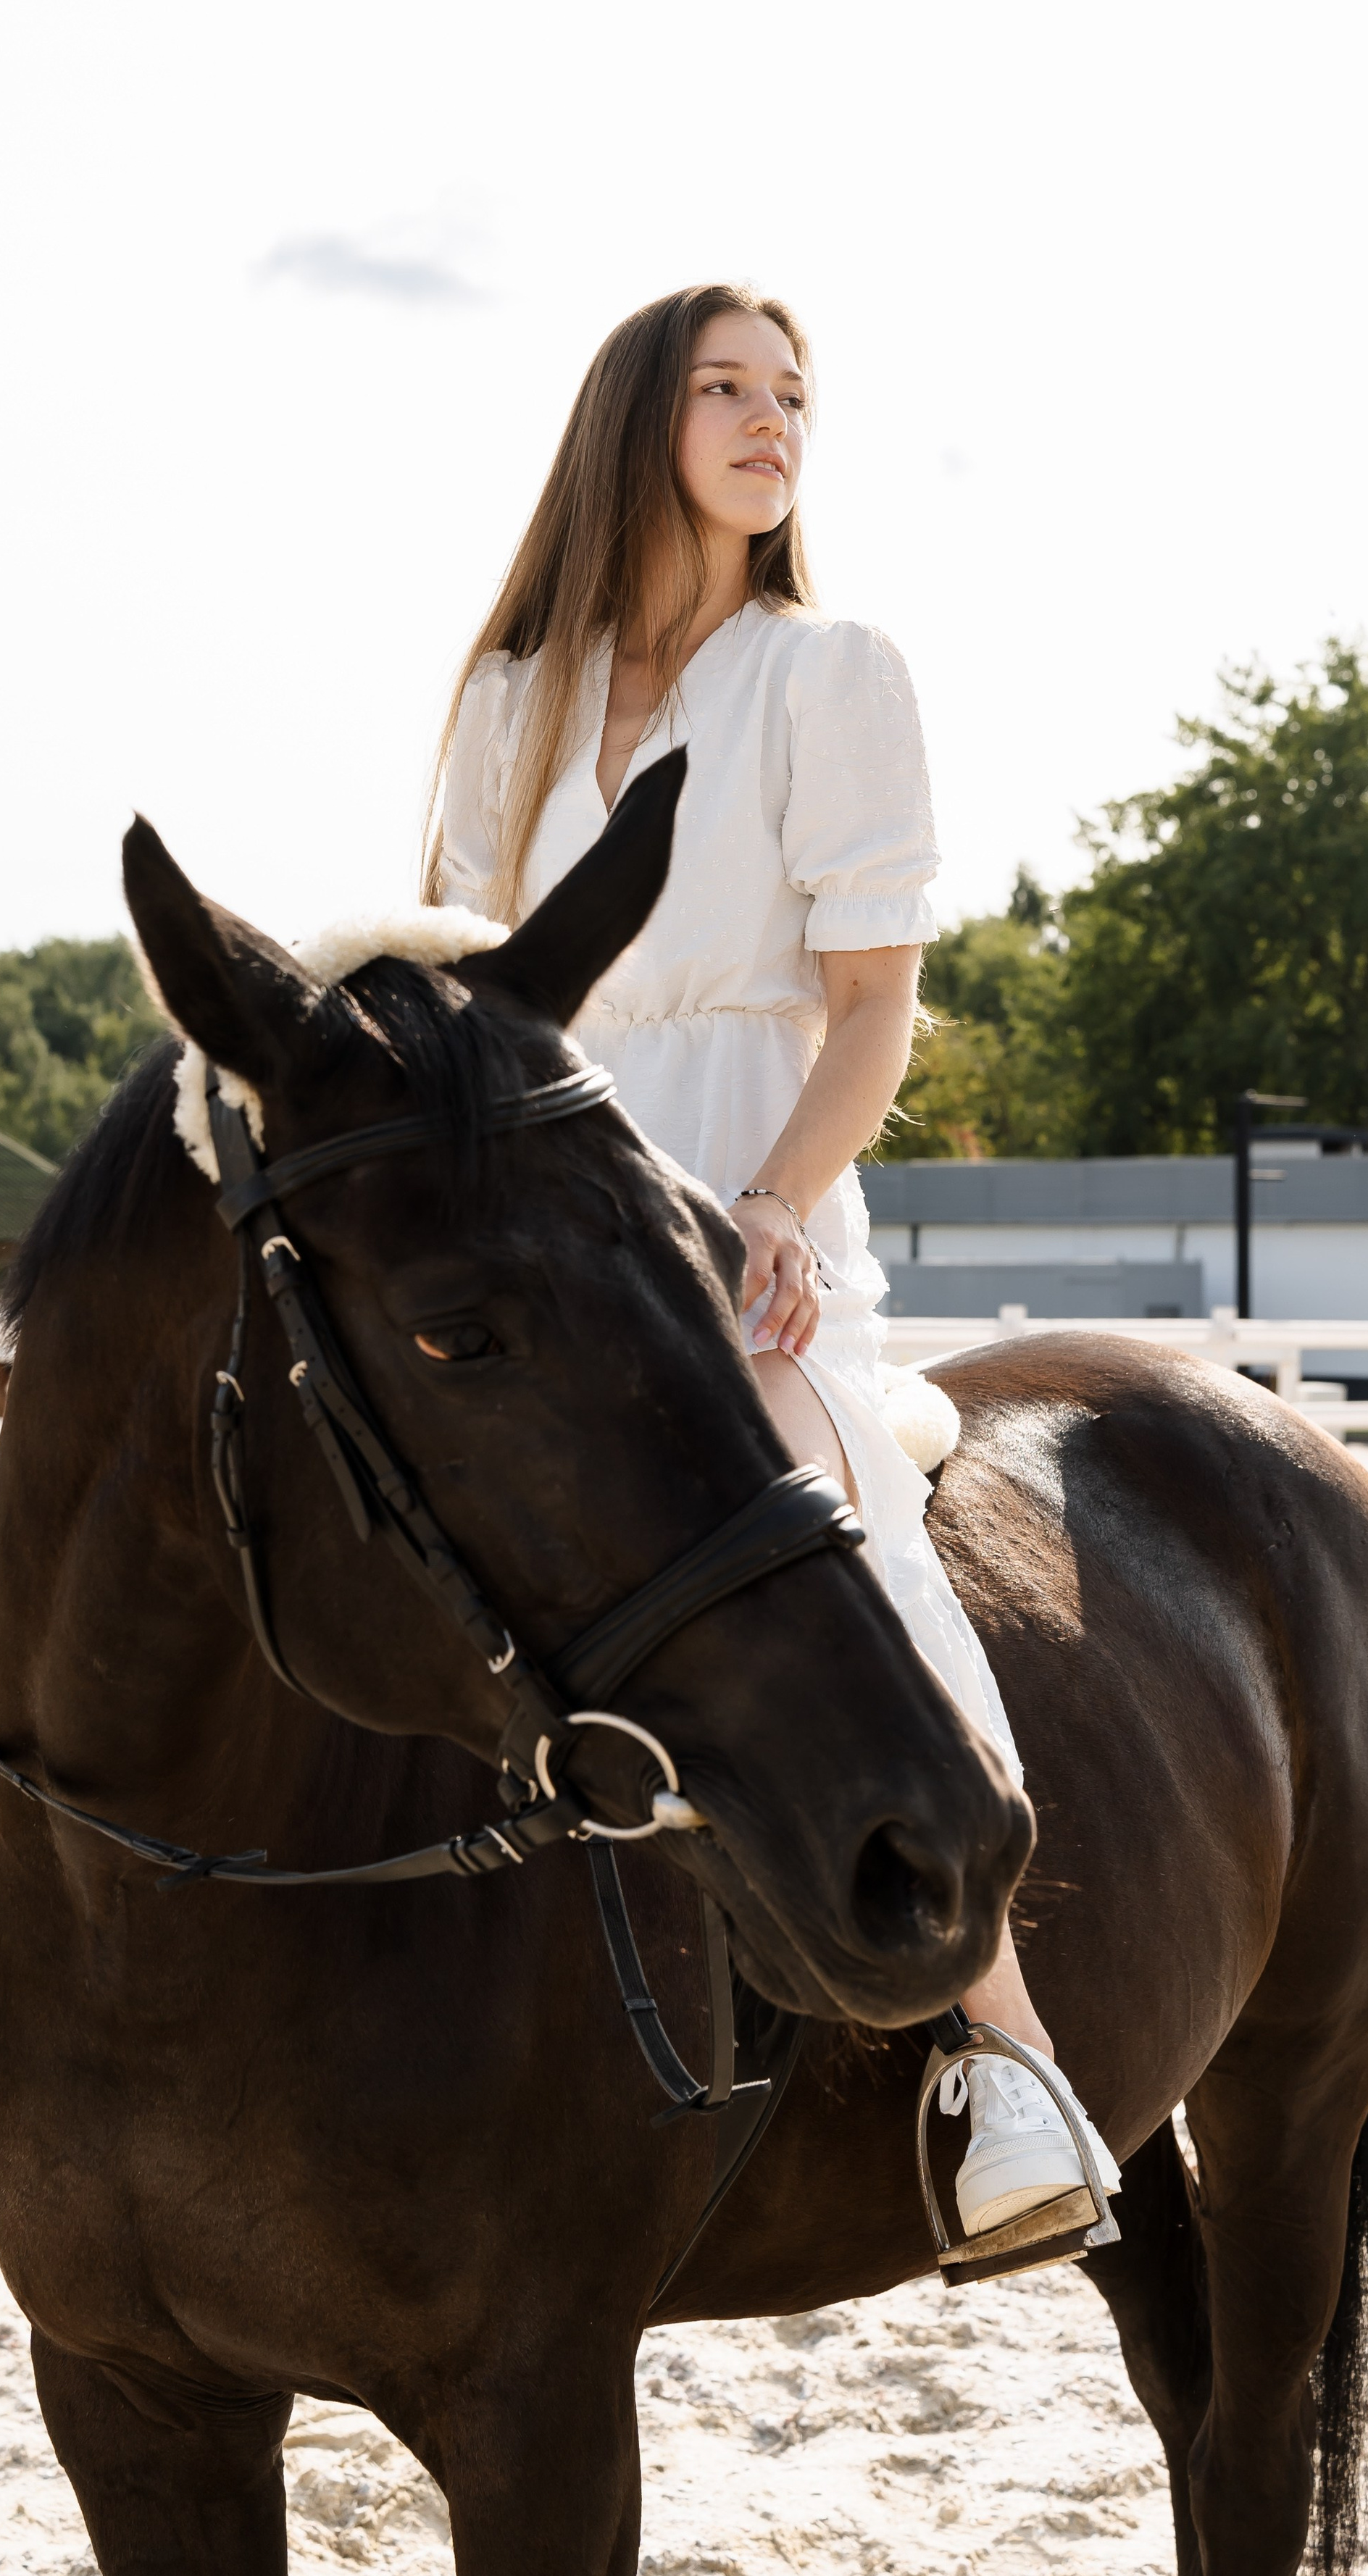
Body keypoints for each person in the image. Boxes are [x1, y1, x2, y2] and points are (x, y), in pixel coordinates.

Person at [426, 283, 1117, 2252]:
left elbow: (875, 1012)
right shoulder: (513, 700)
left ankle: (1010, 2058)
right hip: (554, 1217)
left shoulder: (830, 675)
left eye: (793, 394)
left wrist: (782, 1205)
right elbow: (482, 1004)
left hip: (754, 1205)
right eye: (726, 386)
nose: (769, 419)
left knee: (851, 1529)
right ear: (637, 417)